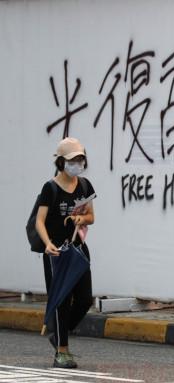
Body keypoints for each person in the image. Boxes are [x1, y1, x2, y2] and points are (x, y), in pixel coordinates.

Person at [35, 137, 96, 368]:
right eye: (72, 160)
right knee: (61, 299)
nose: (77, 164)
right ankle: (62, 351)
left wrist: (81, 218)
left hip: (78, 250)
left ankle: (60, 334)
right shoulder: (49, 188)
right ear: (61, 162)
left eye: (81, 159)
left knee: (84, 299)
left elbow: (92, 217)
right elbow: (39, 221)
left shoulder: (85, 186)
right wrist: (47, 243)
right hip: (56, 252)